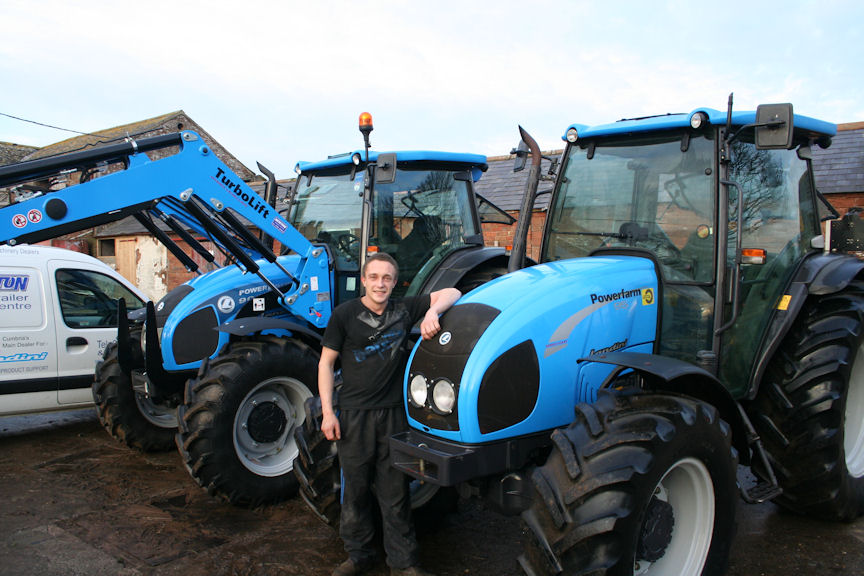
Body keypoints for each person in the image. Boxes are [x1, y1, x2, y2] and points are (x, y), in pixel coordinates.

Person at [319, 252, 461, 576]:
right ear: (364, 281)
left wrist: (431, 313)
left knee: (395, 492)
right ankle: (359, 556)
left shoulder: (404, 309)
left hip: (395, 416)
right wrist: (328, 413)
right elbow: (326, 364)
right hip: (354, 415)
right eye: (374, 277)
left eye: (387, 278)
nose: (380, 284)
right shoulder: (344, 315)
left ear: (395, 282)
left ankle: (403, 562)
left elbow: (454, 293)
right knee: (354, 491)